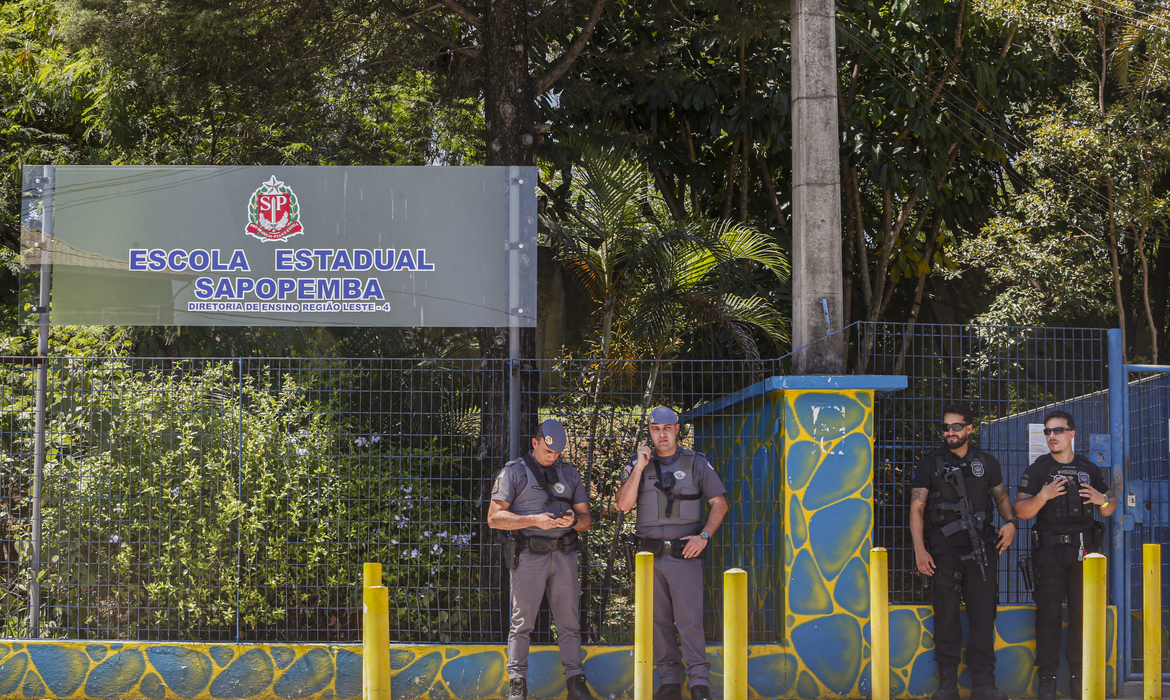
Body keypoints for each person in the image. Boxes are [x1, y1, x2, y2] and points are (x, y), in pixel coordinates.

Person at [614, 406, 729, 700]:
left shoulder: (696, 462)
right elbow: (622, 505)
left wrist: (704, 536)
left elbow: (719, 503)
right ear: (650, 432)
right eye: (655, 429)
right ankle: (669, 682)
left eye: (667, 428)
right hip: (649, 557)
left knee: (689, 619)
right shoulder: (638, 464)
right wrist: (639, 468)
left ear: (678, 429)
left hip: (684, 556)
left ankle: (699, 683)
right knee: (658, 620)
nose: (661, 434)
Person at [910, 404, 1017, 700]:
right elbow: (917, 507)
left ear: (970, 428)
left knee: (983, 615)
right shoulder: (930, 463)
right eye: (946, 427)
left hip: (982, 546)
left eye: (957, 427)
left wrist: (1011, 523)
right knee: (945, 615)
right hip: (944, 549)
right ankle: (947, 684)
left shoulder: (985, 461)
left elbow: (1002, 496)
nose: (950, 432)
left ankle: (984, 684)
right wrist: (920, 550)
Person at [487, 419, 597, 700]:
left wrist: (574, 521)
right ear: (535, 443)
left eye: (558, 453)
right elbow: (494, 517)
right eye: (549, 452)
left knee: (569, 622)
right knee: (522, 622)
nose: (553, 457)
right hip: (529, 556)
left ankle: (576, 682)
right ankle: (517, 684)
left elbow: (586, 519)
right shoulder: (514, 473)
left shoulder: (569, 473)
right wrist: (532, 520)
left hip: (564, 555)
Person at [1014, 410, 1115, 700]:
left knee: (1083, 615)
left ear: (1072, 433)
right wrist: (1043, 496)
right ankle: (1047, 678)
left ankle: (1078, 676)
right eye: (1047, 432)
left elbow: (1109, 506)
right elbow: (1021, 512)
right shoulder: (1038, 469)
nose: (1051, 436)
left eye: (1057, 431)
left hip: (1084, 552)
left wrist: (1103, 499)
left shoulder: (1089, 468)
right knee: (1048, 615)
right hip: (1049, 553)